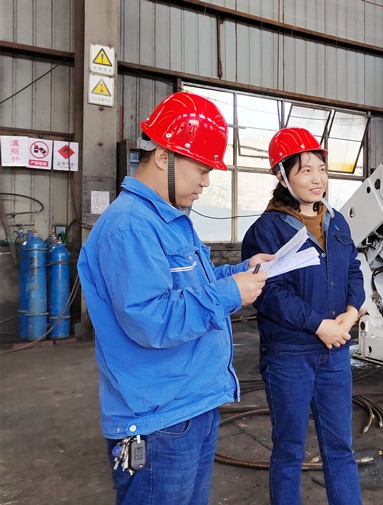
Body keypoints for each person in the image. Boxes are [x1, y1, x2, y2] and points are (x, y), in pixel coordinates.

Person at [77, 91, 272, 505]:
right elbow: (151, 318)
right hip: (158, 419)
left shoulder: (170, 220)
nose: (206, 182)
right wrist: (229, 295)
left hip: (190, 405)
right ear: (165, 157)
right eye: (201, 169)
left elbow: (191, 286)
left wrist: (238, 272)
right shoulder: (130, 227)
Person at [241, 127, 365, 505]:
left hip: (335, 352)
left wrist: (351, 311)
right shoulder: (266, 230)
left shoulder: (337, 221)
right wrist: (318, 325)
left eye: (322, 169)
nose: (318, 179)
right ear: (282, 175)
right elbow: (270, 294)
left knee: (340, 446)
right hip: (290, 354)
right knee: (290, 449)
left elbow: (353, 270)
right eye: (306, 170)